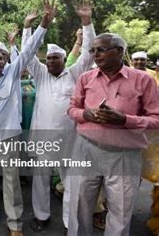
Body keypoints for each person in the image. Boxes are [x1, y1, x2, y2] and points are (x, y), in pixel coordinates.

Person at [0, 0, 55, 236]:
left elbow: (29, 50)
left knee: (11, 181)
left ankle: (14, 223)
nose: (0, 60)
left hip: (9, 136)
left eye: (2, 57)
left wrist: (42, 23)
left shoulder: (11, 73)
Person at [67, 33, 159, 236]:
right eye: (93, 50)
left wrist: (125, 120)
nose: (95, 55)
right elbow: (72, 109)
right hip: (86, 150)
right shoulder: (86, 78)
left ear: (119, 51)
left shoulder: (144, 80)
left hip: (124, 156)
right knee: (80, 205)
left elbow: (156, 119)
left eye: (100, 50)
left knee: (120, 211)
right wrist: (86, 114)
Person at [21, 0, 95, 233]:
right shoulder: (40, 75)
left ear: (64, 60)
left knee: (72, 184)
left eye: (56, 58)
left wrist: (87, 21)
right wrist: (32, 26)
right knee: (40, 182)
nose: (51, 61)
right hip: (43, 141)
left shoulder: (74, 74)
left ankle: (68, 223)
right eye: (49, 58)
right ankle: (42, 216)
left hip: (70, 143)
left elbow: (88, 53)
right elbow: (27, 52)